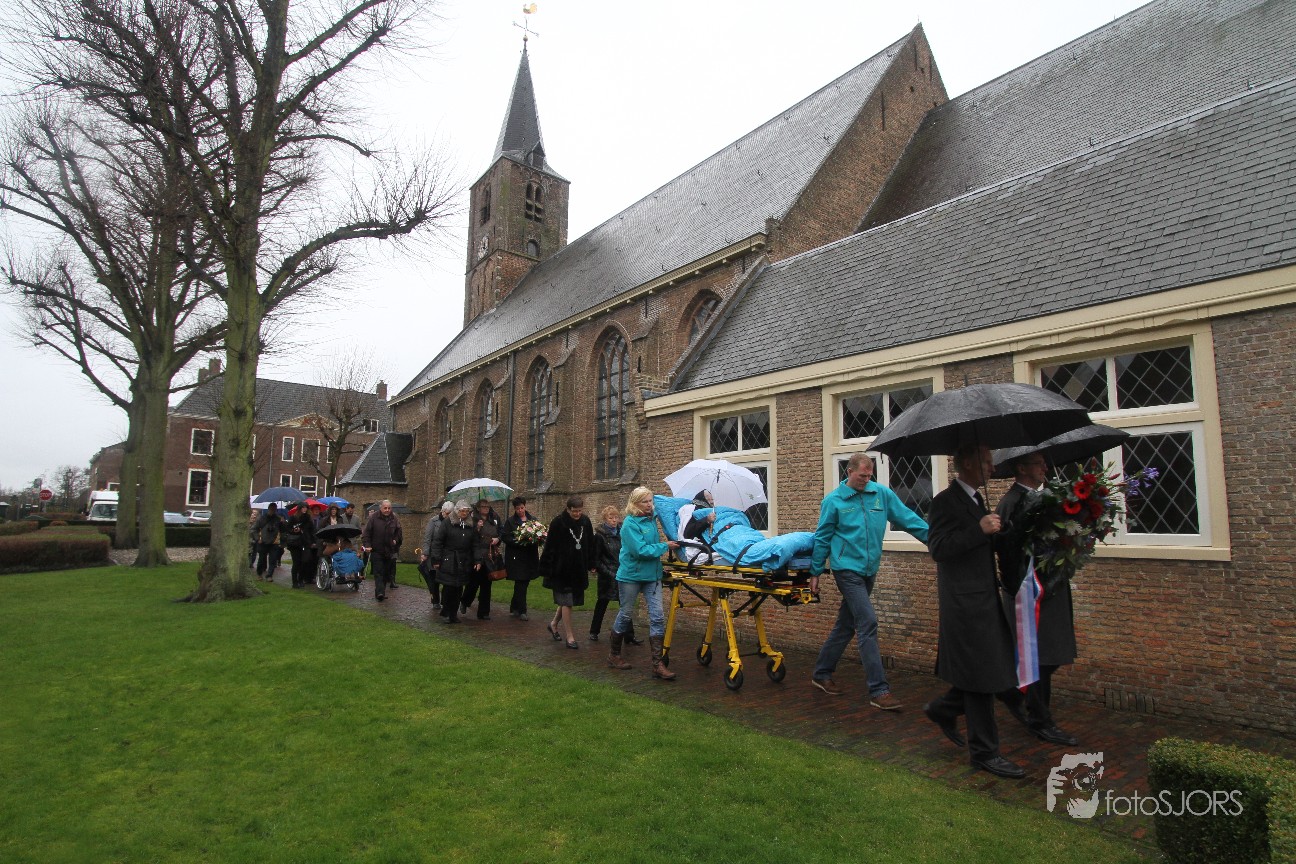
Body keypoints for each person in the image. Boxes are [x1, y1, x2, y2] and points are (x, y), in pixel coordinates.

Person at [922, 444, 1024, 779]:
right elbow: (939, 548)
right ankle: (984, 752)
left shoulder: (977, 500)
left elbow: (981, 545)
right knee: (982, 676)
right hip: (964, 603)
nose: (992, 468)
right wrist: (978, 530)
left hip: (984, 598)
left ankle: (943, 709)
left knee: (982, 671)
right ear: (967, 463)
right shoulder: (945, 502)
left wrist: (1001, 532)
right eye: (986, 462)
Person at [808, 453, 928, 710]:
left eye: (869, 475)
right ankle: (879, 690)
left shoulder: (881, 494)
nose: (866, 480)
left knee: (846, 624)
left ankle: (822, 673)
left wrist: (935, 539)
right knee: (867, 622)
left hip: (869, 569)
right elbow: (823, 537)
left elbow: (907, 518)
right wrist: (815, 571)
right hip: (846, 569)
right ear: (849, 472)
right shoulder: (834, 501)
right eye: (862, 475)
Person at [995, 452, 1079, 747]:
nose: (1045, 467)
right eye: (1038, 463)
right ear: (1021, 468)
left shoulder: (1043, 498)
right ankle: (1039, 718)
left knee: (1049, 654)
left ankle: (1015, 693)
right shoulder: (1012, 502)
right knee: (1037, 658)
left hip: (1048, 588)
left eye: (1045, 462)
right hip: (1028, 593)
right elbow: (1008, 549)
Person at [607, 487, 679, 677]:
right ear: (635, 503)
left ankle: (657, 664)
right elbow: (640, 550)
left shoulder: (651, 518)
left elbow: (670, 507)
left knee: (657, 616)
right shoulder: (629, 524)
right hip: (631, 576)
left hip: (652, 576)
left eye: (650, 501)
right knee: (625, 614)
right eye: (645, 501)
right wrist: (665, 546)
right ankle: (614, 654)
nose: (649, 505)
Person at [539, 496, 596, 649]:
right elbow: (550, 546)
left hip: (578, 570)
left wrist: (592, 563)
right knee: (567, 602)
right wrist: (546, 568)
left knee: (568, 601)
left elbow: (590, 544)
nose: (577, 514)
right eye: (574, 511)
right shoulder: (558, 522)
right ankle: (570, 637)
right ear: (568, 509)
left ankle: (553, 624)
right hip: (561, 570)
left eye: (579, 511)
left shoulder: (585, 522)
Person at [591, 504, 639, 644]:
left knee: (625, 605)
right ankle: (594, 631)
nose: (614, 520)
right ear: (605, 519)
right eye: (610, 518)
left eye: (616, 517)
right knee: (602, 603)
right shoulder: (600, 537)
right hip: (607, 576)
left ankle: (629, 636)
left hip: (622, 572)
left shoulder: (622, 533)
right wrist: (608, 572)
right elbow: (596, 559)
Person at [429, 501, 481, 624]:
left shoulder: (471, 524)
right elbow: (438, 541)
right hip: (449, 558)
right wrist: (436, 559)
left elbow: (475, 544)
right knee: (449, 587)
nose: (464, 513)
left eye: (467, 511)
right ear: (457, 511)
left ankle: (453, 614)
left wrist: (478, 560)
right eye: (462, 511)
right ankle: (446, 612)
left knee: (459, 588)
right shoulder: (448, 523)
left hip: (464, 560)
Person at [460, 499, 501, 620]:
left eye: (487, 506)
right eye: (483, 506)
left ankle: (484, 612)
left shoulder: (494, 517)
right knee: (473, 583)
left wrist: (498, 539)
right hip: (476, 556)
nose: (486, 508)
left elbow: (500, 531)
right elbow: (468, 537)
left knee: (487, 584)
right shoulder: (472, 519)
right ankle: (465, 601)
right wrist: (477, 528)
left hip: (489, 555)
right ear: (478, 508)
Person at [501, 496, 541, 620]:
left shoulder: (532, 520)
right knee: (521, 582)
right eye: (518, 509)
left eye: (522, 508)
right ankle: (522, 611)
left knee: (523, 583)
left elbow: (539, 534)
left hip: (530, 557)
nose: (520, 510)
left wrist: (537, 538)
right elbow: (505, 537)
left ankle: (514, 606)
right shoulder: (510, 522)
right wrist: (517, 540)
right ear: (515, 509)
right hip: (516, 557)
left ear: (525, 506)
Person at [361, 499, 403, 602]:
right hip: (377, 549)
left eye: (389, 508)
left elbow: (399, 532)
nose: (387, 510)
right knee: (378, 571)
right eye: (385, 508)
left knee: (385, 572)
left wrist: (396, 540)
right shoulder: (374, 518)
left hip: (389, 550)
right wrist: (367, 545)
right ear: (381, 508)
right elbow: (367, 533)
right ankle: (380, 592)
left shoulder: (394, 518)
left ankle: (380, 591)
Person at [419, 502, 453, 610]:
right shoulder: (433, 521)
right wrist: (425, 553)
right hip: (434, 555)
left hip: (447, 555)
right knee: (434, 579)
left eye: (450, 513)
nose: (448, 515)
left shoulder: (453, 522)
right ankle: (435, 601)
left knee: (446, 579)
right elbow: (427, 538)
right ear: (442, 511)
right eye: (446, 513)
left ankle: (445, 600)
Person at [283, 503, 318, 589]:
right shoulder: (293, 518)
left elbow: (311, 531)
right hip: (295, 543)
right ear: (299, 509)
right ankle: (295, 582)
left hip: (305, 542)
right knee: (296, 562)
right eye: (303, 508)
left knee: (305, 561)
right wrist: (294, 530)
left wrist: (313, 541)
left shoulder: (308, 519)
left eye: (306, 508)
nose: (304, 509)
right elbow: (288, 528)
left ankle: (301, 579)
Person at [253, 503, 283, 581]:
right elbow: (255, 529)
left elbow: (283, 530)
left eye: (274, 509)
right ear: (269, 509)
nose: (273, 511)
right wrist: (258, 538)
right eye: (272, 509)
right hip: (263, 541)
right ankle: (259, 573)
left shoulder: (278, 519)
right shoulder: (262, 518)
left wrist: (283, 523)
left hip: (274, 542)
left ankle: (269, 575)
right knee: (261, 559)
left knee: (272, 560)